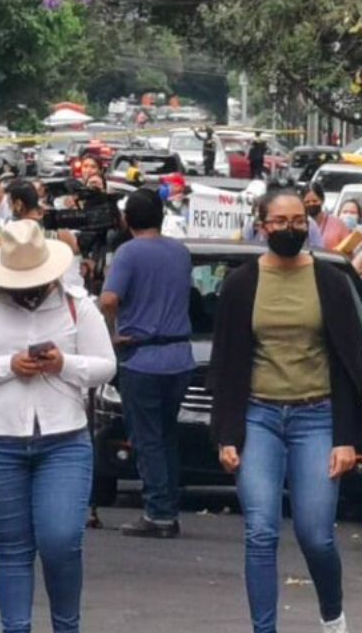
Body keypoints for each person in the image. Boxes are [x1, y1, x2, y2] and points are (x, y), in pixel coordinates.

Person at [0, 219, 117, 633]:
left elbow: (106, 364)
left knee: (61, 542)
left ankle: (67, 626)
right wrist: (7, 365)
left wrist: (64, 363)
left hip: (64, 438)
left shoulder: (76, 303)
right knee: (11, 550)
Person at [210, 190, 361, 633]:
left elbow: (351, 362)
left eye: (298, 220)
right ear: (262, 226)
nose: (290, 228)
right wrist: (225, 434)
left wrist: (348, 439)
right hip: (258, 417)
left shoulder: (330, 282)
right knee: (261, 531)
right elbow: (225, 362)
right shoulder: (241, 284)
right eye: (280, 221)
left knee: (316, 535)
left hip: (318, 417)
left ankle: (332, 616)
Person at [99, 189, 194, 538]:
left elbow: (109, 298)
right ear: (161, 216)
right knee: (166, 435)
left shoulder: (129, 252)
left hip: (142, 356)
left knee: (147, 437)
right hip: (179, 355)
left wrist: (112, 331)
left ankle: (159, 512)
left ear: (127, 220)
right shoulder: (180, 252)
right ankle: (169, 504)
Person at [305, 182, 349, 251]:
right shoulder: (299, 224)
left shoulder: (338, 224)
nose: (311, 204)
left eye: (315, 201)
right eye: (307, 202)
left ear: (322, 200)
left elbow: (348, 249)